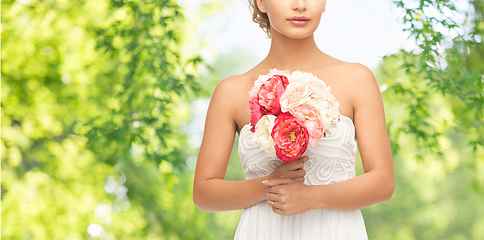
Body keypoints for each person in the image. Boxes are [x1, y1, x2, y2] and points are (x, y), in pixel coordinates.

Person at [193, 0, 394, 239]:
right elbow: (204, 193)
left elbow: (383, 182)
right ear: (261, 3)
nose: (300, 5)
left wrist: (313, 197)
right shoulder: (231, 91)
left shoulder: (358, 80)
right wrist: (268, 186)